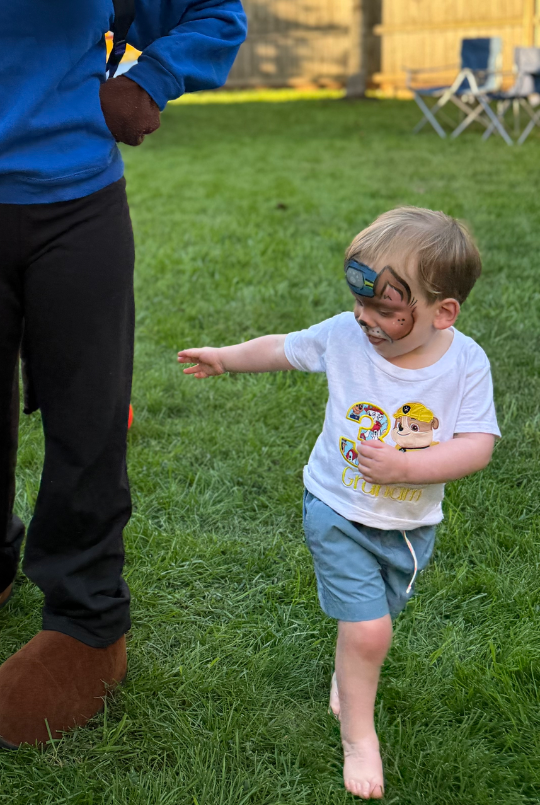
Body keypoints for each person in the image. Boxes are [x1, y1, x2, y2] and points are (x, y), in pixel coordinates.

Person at [179, 207, 500, 800]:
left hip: (408, 527)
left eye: (385, 309)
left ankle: (350, 669)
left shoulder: (465, 364)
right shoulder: (346, 337)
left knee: (374, 625)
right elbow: (284, 348)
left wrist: (407, 468)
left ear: (443, 312)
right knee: (370, 631)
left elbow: (478, 445)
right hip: (335, 508)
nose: (364, 317)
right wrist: (226, 356)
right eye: (360, 302)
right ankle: (359, 737)